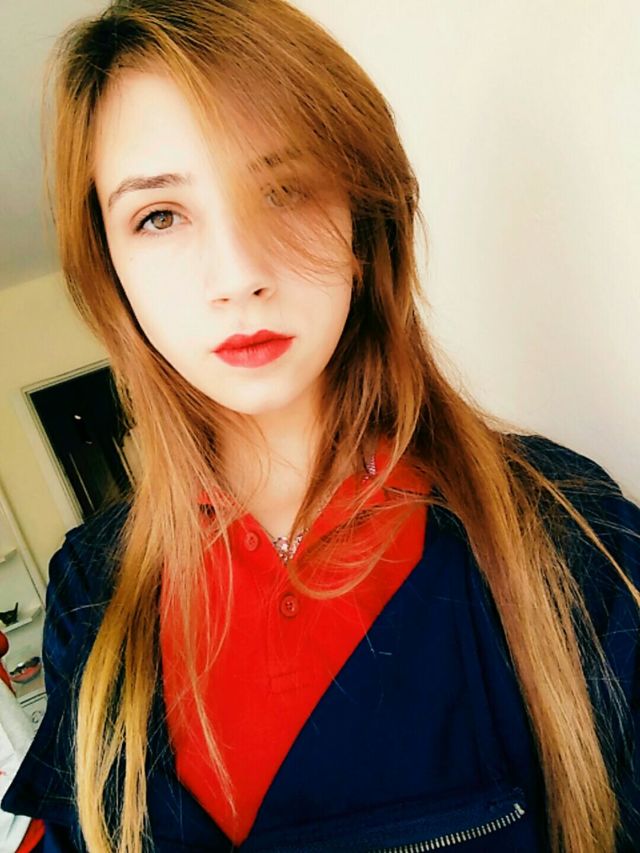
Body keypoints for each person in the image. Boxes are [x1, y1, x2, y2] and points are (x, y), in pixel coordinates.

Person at [2, 1, 639, 851]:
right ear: (110, 267)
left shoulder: (561, 523)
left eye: (284, 189)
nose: (238, 274)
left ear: (363, 221)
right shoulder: (91, 589)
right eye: (159, 215)